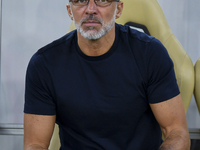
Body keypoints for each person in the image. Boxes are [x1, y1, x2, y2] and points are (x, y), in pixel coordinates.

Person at [23, 0, 190, 150]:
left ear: (118, 9)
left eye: (102, 1)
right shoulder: (44, 64)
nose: (90, 9)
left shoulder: (150, 53)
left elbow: (177, 132)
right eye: (80, 1)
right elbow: (35, 144)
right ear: (69, 11)